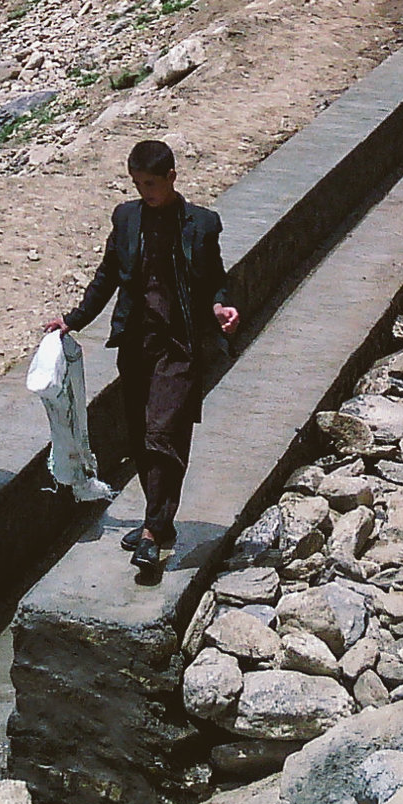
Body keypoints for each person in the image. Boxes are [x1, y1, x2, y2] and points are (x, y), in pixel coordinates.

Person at [49, 140, 237, 582]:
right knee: (139, 435)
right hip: (137, 345)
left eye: (151, 184)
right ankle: (160, 520)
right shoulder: (127, 218)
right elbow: (107, 274)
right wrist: (73, 320)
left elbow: (216, 279)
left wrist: (221, 306)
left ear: (172, 178)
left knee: (163, 434)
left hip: (181, 348)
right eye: (138, 184)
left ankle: (153, 533)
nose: (145, 192)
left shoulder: (201, 225)